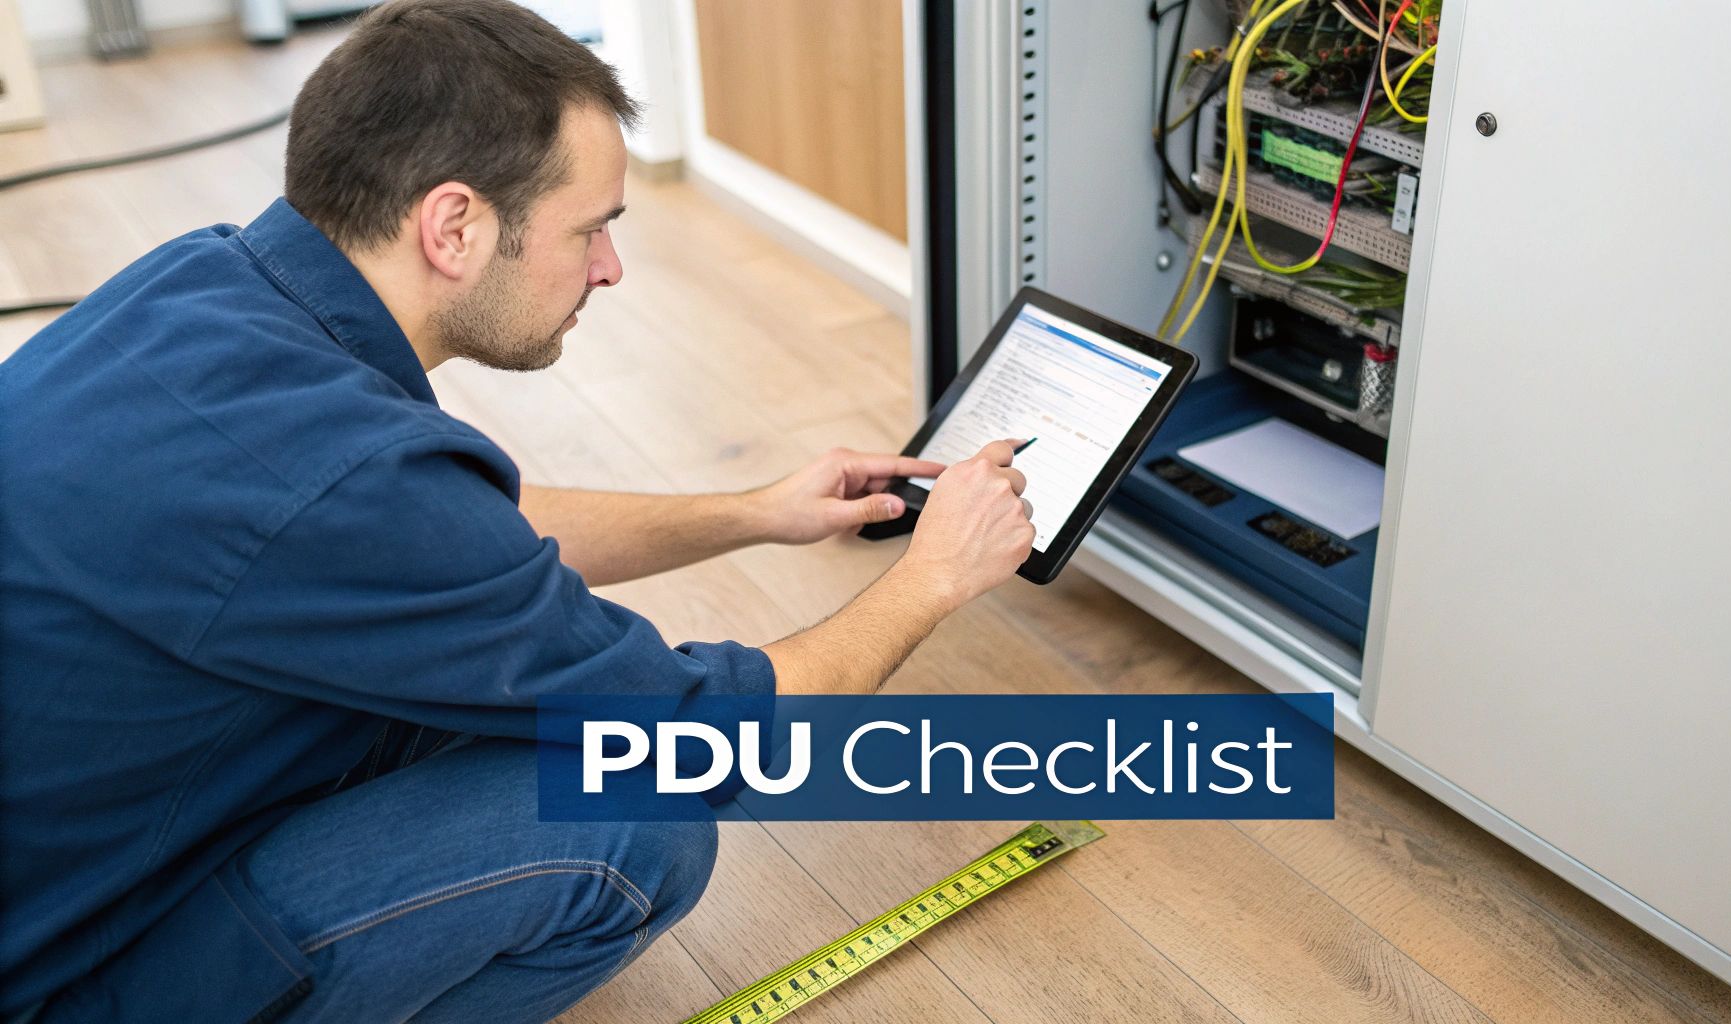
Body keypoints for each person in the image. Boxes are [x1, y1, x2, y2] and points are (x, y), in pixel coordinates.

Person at [0, 1, 1035, 1020]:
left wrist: (754, 512)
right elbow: (698, 736)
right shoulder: (350, 480)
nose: (609, 267)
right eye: (588, 230)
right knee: (636, 816)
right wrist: (930, 578)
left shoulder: (207, 284)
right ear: (454, 225)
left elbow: (445, 538)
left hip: (68, 849)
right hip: (56, 979)